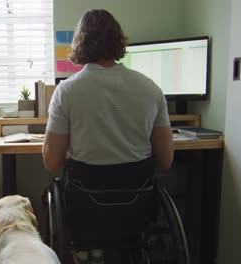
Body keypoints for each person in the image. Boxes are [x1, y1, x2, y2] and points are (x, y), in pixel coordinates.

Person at [41, 9, 173, 264]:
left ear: (80, 43)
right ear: (118, 41)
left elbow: (50, 163)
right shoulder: (151, 90)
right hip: (135, 215)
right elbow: (166, 160)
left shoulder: (66, 92)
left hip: (86, 213)